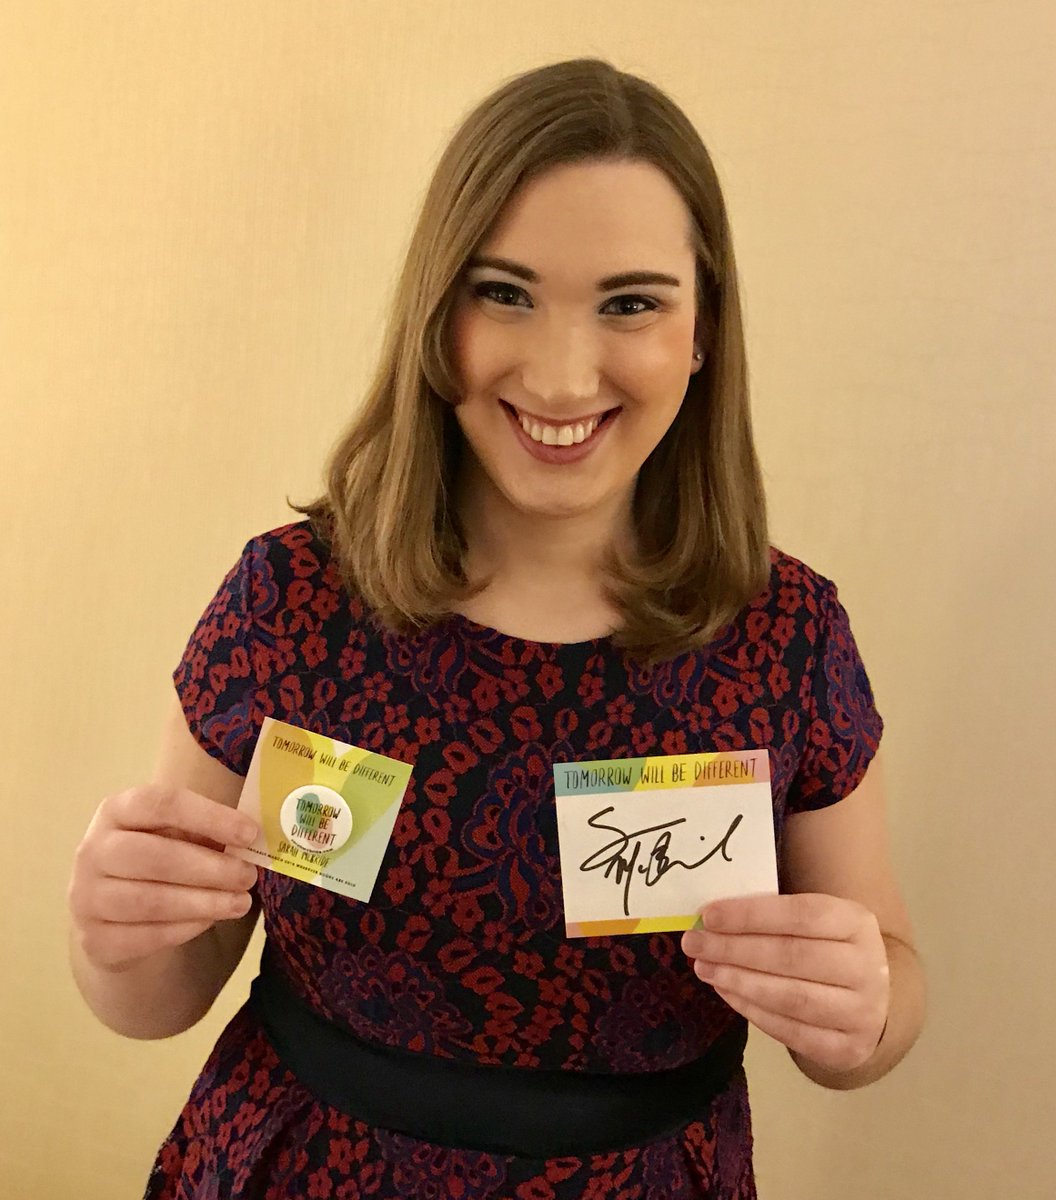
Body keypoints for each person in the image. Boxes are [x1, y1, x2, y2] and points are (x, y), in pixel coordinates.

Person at [67, 57, 925, 1199]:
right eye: (505, 293)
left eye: (631, 302)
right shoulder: (292, 603)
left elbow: (878, 1008)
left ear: (703, 330)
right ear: (438, 311)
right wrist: (113, 930)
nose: (562, 379)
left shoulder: (787, 637)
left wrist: (864, 1010)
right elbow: (157, 996)